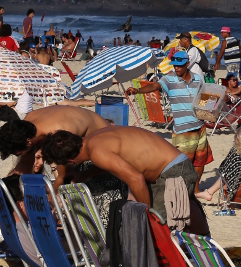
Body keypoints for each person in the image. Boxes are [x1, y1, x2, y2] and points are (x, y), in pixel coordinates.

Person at [41, 127, 210, 235]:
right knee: (176, 215)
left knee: (160, 227)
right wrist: (84, 175)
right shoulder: (93, 138)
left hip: (173, 171)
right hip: (170, 166)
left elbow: (136, 179)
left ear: (70, 162)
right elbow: (114, 163)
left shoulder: (97, 153)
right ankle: (205, 242)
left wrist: (146, 215)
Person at [126, 52, 214, 179]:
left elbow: (203, 99)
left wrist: (212, 107)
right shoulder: (169, 79)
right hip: (183, 130)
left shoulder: (197, 79)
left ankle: (195, 189)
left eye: (180, 65)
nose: (176, 68)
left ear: (187, 64)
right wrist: (137, 91)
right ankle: (186, 190)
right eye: (174, 65)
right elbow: (155, 86)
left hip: (200, 126)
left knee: (200, 161)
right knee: (184, 164)